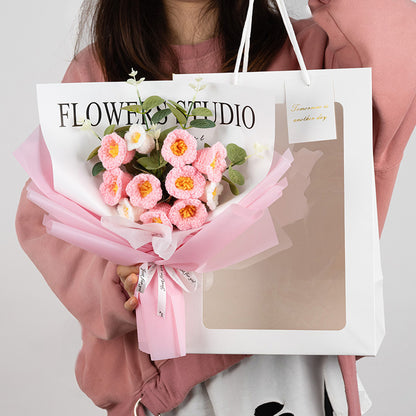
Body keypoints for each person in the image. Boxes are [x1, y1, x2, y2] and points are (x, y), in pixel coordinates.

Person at [15, 0, 416, 415]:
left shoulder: (314, 51)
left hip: (293, 367)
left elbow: (399, 47)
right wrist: (116, 281)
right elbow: (45, 219)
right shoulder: (98, 70)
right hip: (163, 385)